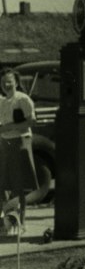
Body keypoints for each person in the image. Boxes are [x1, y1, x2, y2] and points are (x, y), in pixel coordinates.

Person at [0, 66, 37, 226]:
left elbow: (31, 121)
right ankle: (8, 221)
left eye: (9, 82)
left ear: (16, 82)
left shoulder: (22, 99)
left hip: (20, 142)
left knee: (18, 184)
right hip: (4, 143)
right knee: (4, 183)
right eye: (3, 82)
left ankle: (19, 222)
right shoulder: (2, 101)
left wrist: (10, 127)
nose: (6, 85)